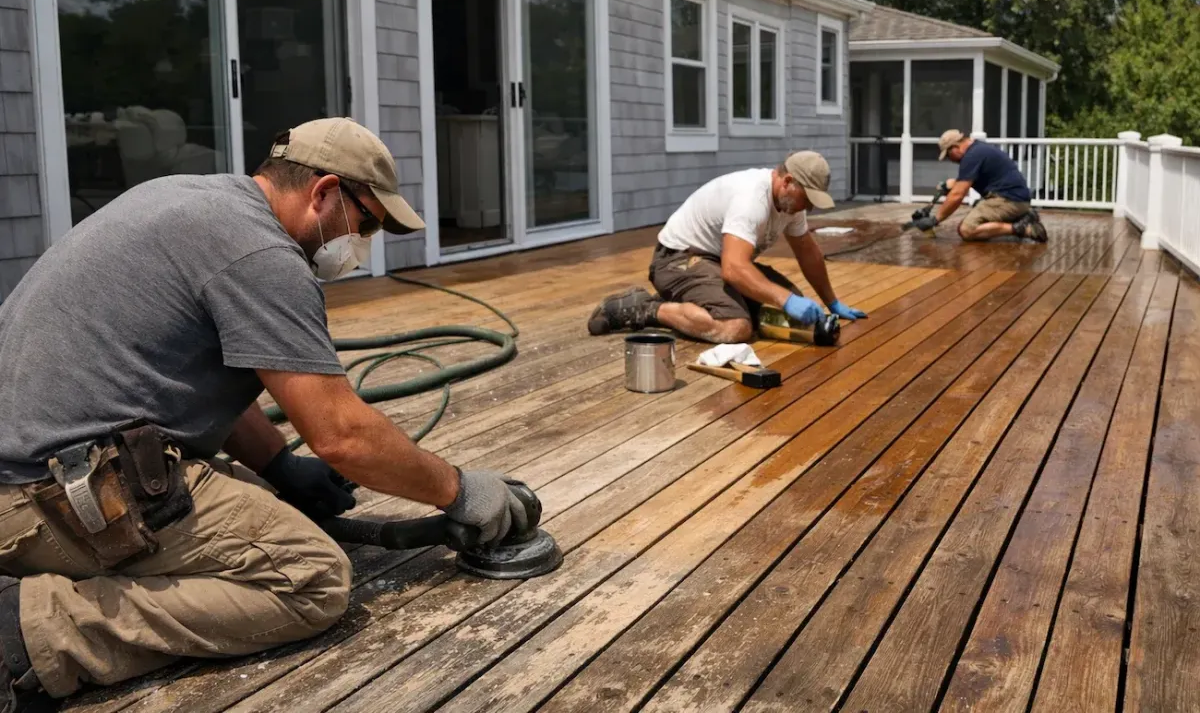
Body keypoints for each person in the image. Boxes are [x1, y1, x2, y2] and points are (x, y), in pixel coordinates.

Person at [0, 118, 530, 709]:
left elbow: (187, 375)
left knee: (266, 515)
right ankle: (30, 631)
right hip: (42, 495)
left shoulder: (193, 201)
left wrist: (279, 466)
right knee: (309, 578)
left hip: (42, 462)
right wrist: (458, 492)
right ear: (325, 192)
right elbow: (342, 436)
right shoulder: (260, 254)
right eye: (368, 223)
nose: (364, 243)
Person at [587, 151, 866, 344]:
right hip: (678, 260)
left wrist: (832, 302)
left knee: (786, 311)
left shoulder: (791, 204)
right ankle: (643, 308)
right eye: (808, 198)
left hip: (717, 260)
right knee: (735, 326)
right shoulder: (750, 199)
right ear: (787, 181)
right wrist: (785, 299)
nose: (810, 206)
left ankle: (701, 303)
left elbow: (807, 251)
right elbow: (733, 270)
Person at [913, 129, 1047, 242]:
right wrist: (949, 185)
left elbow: (958, 195)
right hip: (1016, 199)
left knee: (967, 230)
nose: (951, 160)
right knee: (978, 214)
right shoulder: (978, 149)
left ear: (955, 148)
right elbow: (964, 183)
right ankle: (1024, 216)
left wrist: (935, 220)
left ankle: (1023, 229)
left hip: (1008, 200)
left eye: (948, 155)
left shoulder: (971, 157)